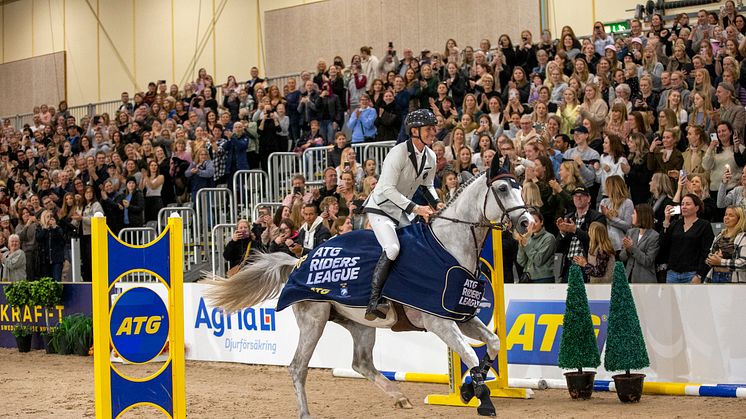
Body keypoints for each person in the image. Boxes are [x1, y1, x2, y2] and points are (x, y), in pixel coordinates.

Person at [362, 109, 443, 320]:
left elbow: (427, 186)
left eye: (433, 128)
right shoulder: (398, 152)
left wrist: (437, 202)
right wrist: (417, 209)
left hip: (400, 210)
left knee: (418, 245)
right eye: (428, 129)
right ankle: (374, 301)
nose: (433, 132)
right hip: (380, 207)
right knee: (393, 248)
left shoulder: (431, 156)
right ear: (414, 131)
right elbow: (387, 189)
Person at [555, 186, 606, 282]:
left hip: (587, 264)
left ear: (589, 198)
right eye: (575, 196)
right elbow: (558, 248)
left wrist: (575, 230)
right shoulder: (568, 217)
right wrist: (562, 232)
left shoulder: (597, 218)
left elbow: (596, 241)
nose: (578, 198)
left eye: (582, 196)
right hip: (569, 264)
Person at [661, 193, 715, 283]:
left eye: (688, 204)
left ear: (697, 208)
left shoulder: (704, 225)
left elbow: (706, 251)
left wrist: (699, 274)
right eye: (682, 204)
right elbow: (663, 243)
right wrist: (667, 220)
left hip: (692, 273)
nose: (684, 207)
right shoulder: (675, 223)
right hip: (672, 272)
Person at [619, 203, 660, 283]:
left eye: (634, 213)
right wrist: (626, 249)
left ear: (641, 216)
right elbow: (622, 257)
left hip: (645, 281)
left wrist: (632, 248)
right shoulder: (631, 232)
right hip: (629, 278)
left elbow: (648, 261)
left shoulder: (654, 236)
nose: (632, 215)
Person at [705, 206, 746, 283]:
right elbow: (709, 255)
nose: (726, 217)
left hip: (732, 277)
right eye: (726, 214)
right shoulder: (720, 235)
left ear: (739, 219)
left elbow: (744, 263)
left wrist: (721, 261)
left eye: (731, 215)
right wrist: (712, 259)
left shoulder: (743, 237)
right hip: (714, 276)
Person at [516, 208, 557, 283]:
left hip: (543, 278)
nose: (532, 224)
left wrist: (526, 244)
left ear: (541, 222)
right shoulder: (528, 237)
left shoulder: (549, 238)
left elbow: (539, 260)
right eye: (530, 222)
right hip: (528, 278)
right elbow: (521, 261)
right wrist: (521, 244)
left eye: (535, 221)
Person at [36, 210, 65, 281]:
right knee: (46, 281)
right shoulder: (40, 229)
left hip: (56, 260)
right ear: (43, 218)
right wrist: (45, 229)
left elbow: (62, 241)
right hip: (44, 260)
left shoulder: (58, 229)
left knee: (56, 280)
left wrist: (55, 228)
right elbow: (38, 238)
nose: (49, 219)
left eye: (51, 217)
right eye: (47, 217)